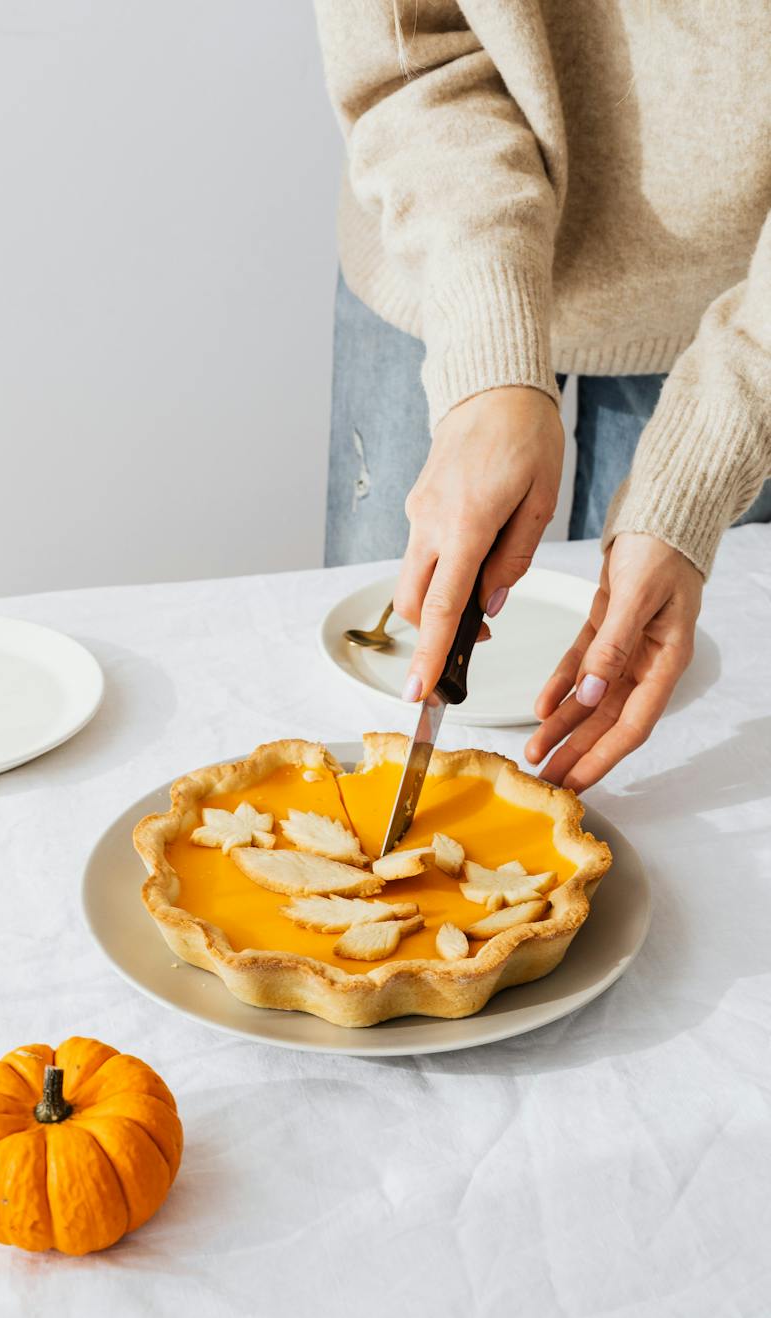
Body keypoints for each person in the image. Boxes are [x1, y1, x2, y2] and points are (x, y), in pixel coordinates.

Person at [314, 1, 770, 790]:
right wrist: (484, 358)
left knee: (647, 721)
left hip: (739, 314)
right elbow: (407, 47)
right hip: (443, 248)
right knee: (368, 698)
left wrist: (706, 461)